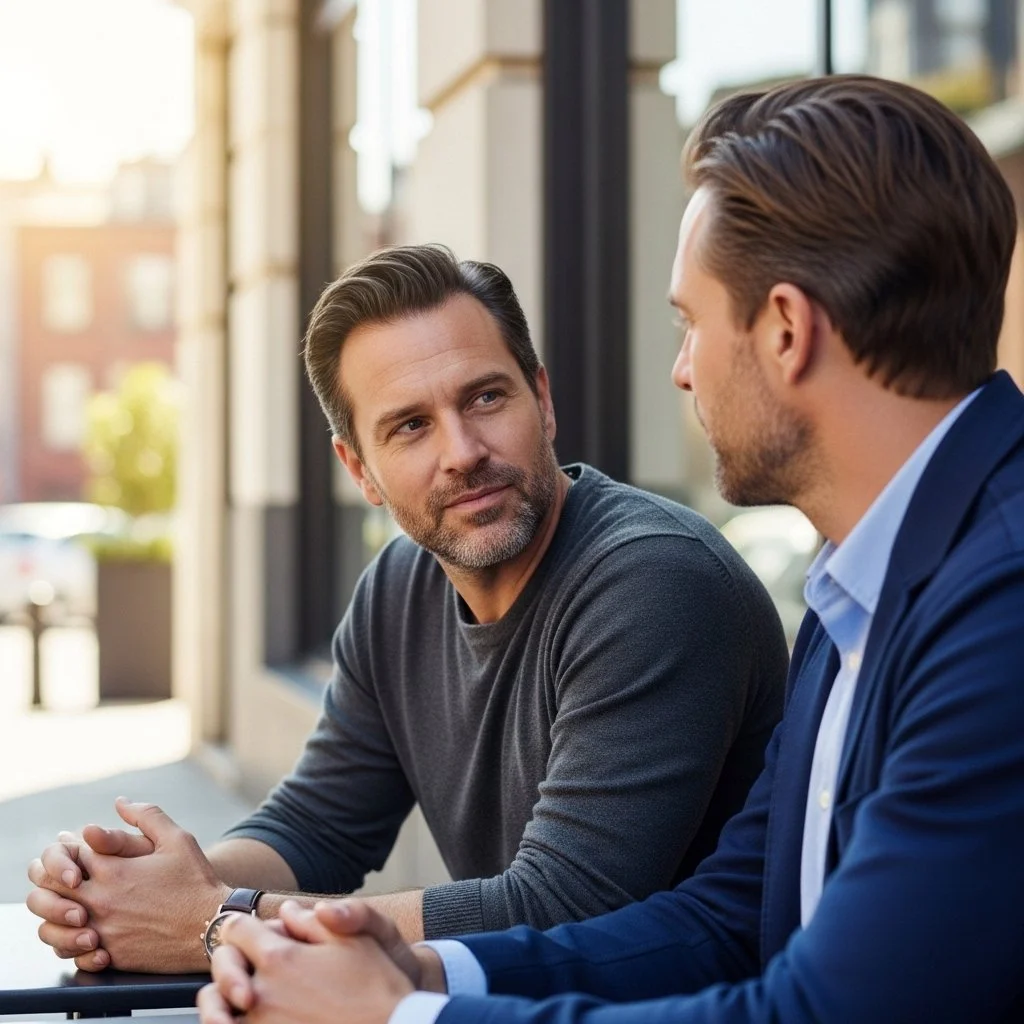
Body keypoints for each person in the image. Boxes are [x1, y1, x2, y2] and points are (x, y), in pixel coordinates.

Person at [195, 73, 1024, 1024]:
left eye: (690, 323)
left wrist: (395, 1015)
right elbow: (725, 918)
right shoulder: (860, 596)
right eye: (410, 427)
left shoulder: (999, 601)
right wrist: (418, 974)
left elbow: (824, 1010)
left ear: (786, 330)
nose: (680, 369)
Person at [26, 245, 788, 974]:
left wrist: (212, 923)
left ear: (543, 400)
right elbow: (318, 823)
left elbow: (564, 906)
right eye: (410, 425)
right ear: (359, 467)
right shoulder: (400, 584)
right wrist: (141, 889)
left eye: (486, 397)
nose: (462, 450)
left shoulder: (652, 582)